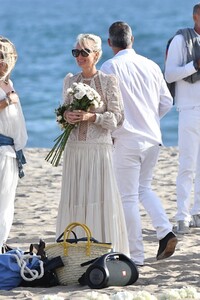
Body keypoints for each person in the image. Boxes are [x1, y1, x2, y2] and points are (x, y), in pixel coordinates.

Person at [101, 21, 177, 266]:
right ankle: (165, 231)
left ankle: (136, 256)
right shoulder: (151, 65)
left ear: (110, 43)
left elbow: (106, 107)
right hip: (152, 137)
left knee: (128, 197)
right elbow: (166, 102)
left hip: (126, 138)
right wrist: (151, 120)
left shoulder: (110, 66)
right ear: (132, 40)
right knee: (143, 188)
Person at [55, 33, 130, 256]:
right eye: (76, 52)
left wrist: (93, 118)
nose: (79, 57)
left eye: (84, 52)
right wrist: (66, 117)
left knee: (99, 197)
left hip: (98, 150)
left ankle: (101, 250)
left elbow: (117, 118)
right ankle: (74, 253)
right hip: (75, 150)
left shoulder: (108, 81)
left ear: (97, 54)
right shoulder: (70, 81)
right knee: (76, 198)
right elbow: (62, 113)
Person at [165, 3, 200, 234]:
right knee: (187, 165)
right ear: (196, 16)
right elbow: (169, 74)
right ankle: (182, 216)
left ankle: (198, 212)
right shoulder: (181, 40)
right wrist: (195, 65)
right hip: (189, 109)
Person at [0, 36, 28, 252]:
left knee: (7, 202)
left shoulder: (9, 82)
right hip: (1, 150)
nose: (3, 63)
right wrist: (8, 100)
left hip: (10, 151)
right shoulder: (7, 88)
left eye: (6, 58)